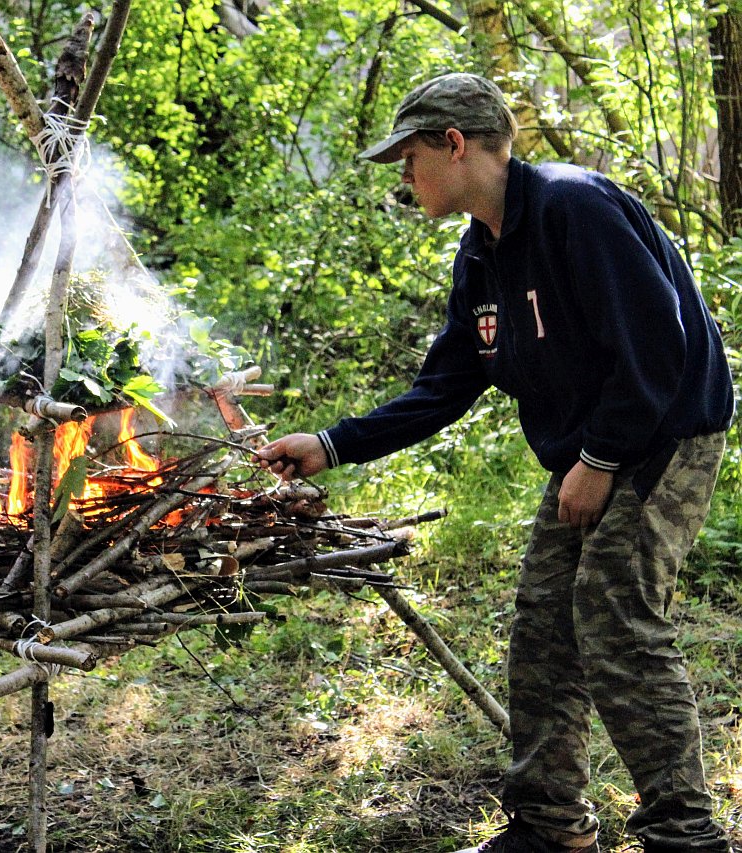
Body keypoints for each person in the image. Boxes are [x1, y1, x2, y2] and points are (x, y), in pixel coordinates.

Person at [257, 73, 734, 853]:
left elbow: (660, 346)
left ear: (453, 143)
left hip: (662, 434)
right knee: (543, 626)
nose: (404, 178)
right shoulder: (480, 256)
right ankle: (550, 828)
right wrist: (332, 444)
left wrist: (600, 459)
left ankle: (686, 834)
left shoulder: (575, 208)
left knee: (616, 620)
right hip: (591, 448)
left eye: (409, 158)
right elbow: (446, 383)